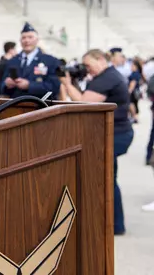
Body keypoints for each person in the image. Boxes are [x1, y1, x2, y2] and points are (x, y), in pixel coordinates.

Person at [60, 49, 133, 235]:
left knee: (106, 178)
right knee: (109, 177)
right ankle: (114, 223)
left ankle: (115, 224)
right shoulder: (107, 76)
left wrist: (68, 84)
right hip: (113, 132)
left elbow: (84, 103)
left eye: (88, 65)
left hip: (116, 134)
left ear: (100, 59)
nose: (86, 69)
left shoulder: (108, 77)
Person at [1, 23, 60, 99]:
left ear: (37, 40)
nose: (26, 40)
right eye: (24, 38)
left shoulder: (50, 61)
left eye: (30, 37)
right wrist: (6, 84)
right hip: (16, 106)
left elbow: (54, 87)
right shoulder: (12, 61)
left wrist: (30, 85)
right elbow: (1, 86)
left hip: (41, 107)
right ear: (20, 40)